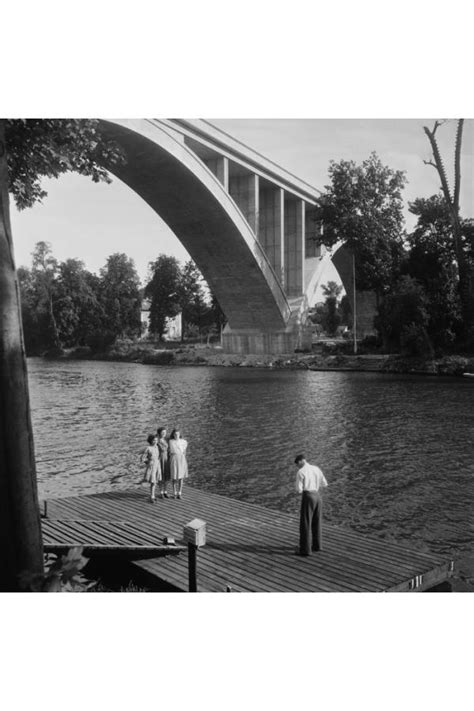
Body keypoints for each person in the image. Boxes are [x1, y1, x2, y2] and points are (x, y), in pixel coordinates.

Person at [294, 454, 328, 556]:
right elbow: (324, 484)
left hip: (308, 496)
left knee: (305, 523)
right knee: (317, 521)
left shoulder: (301, 472)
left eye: (297, 464)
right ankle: (317, 546)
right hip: (317, 496)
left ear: (300, 461)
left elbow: (299, 490)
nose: (297, 467)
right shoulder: (316, 468)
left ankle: (305, 550)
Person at [141, 434, 161, 503]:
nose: (155, 442)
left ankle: (153, 495)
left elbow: (158, 456)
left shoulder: (157, 447)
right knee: (153, 481)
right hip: (152, 466)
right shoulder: (148, 448)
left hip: (157, 465)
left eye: (156, 440)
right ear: (150, 441)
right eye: (154, 440)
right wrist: (148, 462)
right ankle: (152, 496)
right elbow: (142, 458)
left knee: (155, 481)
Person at [168, 428, 188, 499]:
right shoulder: (171, 441)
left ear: (180, 434)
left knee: (181, 476)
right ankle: (174, 493)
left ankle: (179, 493)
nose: (176, 435)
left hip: (181, 458)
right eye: (175, 434)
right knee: (174, 476)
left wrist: (183, 460)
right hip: (174, 458)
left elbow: (184, 452)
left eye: (178, 434)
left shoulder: (183, 442)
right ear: (173, 435)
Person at [156, 426, 170, 498]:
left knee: (166, 475)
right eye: (162, 432)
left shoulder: (166, 440)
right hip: (160, 459)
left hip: (166, 459)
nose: (164, 433)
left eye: (165, 432)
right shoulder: (157, 441)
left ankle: (165, 491)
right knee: (160, 476)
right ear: (159, 433)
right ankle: (161, 491)